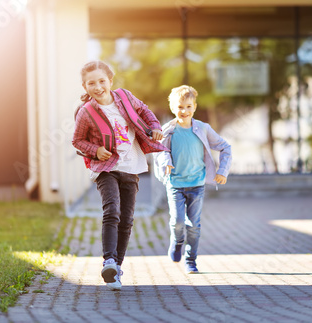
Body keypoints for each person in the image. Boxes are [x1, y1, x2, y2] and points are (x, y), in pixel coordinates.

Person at [72, 60, 167, 290]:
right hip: (106, 168)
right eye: (91, 83)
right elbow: (77, 140)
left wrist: (154, 125)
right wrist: (96, 150)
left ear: (110, 81)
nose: (98, 86)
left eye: (102, 81)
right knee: (112, 209)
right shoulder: (87, 112)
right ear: (85, 87)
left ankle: (115, 270)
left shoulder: (124, 97)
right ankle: (109, 260)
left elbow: (144, 110)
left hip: (131, 166)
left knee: (127, 219)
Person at [154, 85, 232, 274]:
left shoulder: (203, 129)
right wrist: (166, 162)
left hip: (196, 184)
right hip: (175, 184)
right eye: (180, 107)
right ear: (173, 108)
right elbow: (159, 151)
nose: (184, 111)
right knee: (178, 221)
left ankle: (191, 260)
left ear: (194, 107)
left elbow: (225, 147)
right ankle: (177, 240)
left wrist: (222, 171)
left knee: (194, 224)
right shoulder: (168, 130)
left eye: (189, 107)